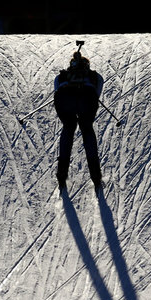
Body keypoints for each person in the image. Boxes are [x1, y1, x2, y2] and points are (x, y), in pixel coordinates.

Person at [54, 51, 104, 194]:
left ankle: (61, 176)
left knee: (68, 128)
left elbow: (56, 88)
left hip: (64, 101)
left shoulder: (62, 76)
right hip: (87, 101)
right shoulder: (95, 76)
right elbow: (97, 91)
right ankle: (96, 176)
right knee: (87, 129)